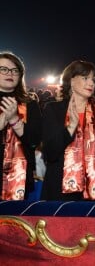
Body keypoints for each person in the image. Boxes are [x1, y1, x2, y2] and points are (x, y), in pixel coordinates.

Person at [41, 60, 95, 201]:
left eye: (93, 80)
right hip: (60, 189)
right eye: (85, 78)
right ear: (71, 80)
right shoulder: (53, 109)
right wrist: (70, 128)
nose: (91, 83)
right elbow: (50, 153)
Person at [0, 51, 42, 200]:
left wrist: (14, 120)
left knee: (14, 222)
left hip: (19, 175)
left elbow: (34, 141)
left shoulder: (30, 103)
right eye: (3, 69)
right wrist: (4, 117)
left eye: (14, 70)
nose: (9, 73)